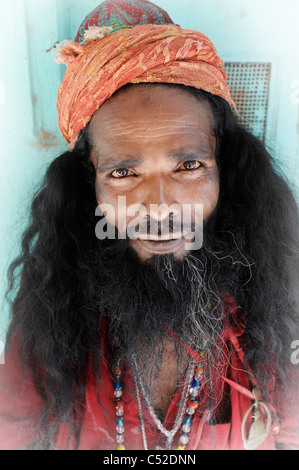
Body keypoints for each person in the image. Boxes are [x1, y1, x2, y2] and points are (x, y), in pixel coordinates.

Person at [0, 0, 298, 451]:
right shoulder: (51, 305)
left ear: (224, 168)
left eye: (188, 166)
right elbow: (13, 428)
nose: (159, 208)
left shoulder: (275, 299)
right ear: (89, 184)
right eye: (123, 173)